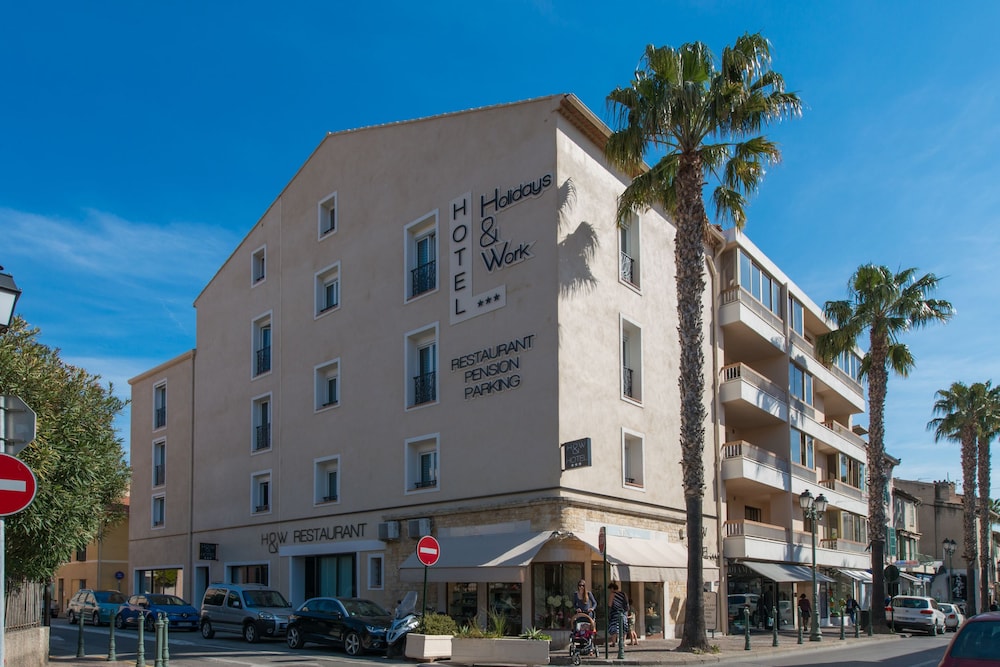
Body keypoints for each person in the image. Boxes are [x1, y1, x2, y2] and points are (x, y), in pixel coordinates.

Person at [607, 582, 629, 647]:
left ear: (612, 588)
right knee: (624, 627)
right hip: (623, 613)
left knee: (614, 627)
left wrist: (609, 614)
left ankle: (614, 642)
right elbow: (627, 605)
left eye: (610, 589)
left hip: (615, 613)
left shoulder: (612, 594)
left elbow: (610, 605)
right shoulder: (624, 594)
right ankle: (623, 642)